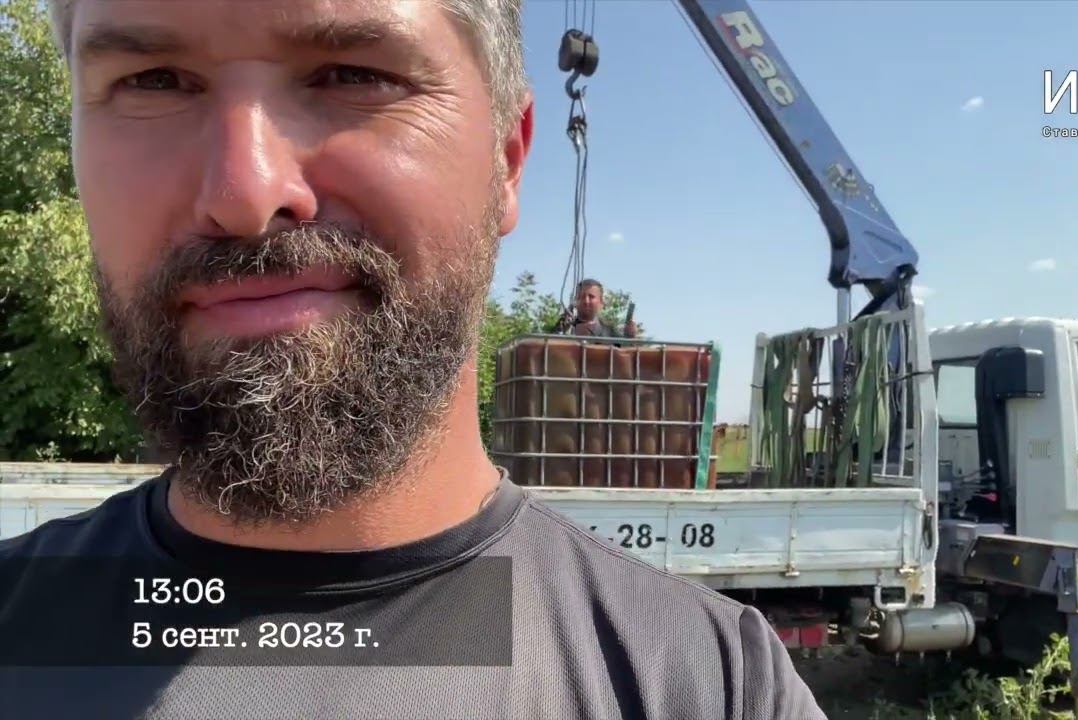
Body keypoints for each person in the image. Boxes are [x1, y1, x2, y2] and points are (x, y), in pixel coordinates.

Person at [0, 1, 826, 719]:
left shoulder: (712, 687)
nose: (245, 194)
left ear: (506, 160)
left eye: (353, 75)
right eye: (153, 81)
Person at [556, 278, 639, 338]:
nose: (586, 301)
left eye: (591, 297)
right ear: (575, 301)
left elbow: (625, 354)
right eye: (582, 296)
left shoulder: (611, 334)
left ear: (601, 302)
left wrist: (630, 339)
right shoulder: (564, 328)